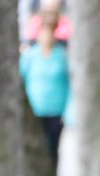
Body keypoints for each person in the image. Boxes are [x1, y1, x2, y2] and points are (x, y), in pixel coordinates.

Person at [19, 20, 70, 162]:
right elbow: (21, 77)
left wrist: (68, 111)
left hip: (56, 109)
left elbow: (69, 83)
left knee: (53, 148)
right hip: (35, 108)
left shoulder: (61, 56)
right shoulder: (30, 55)